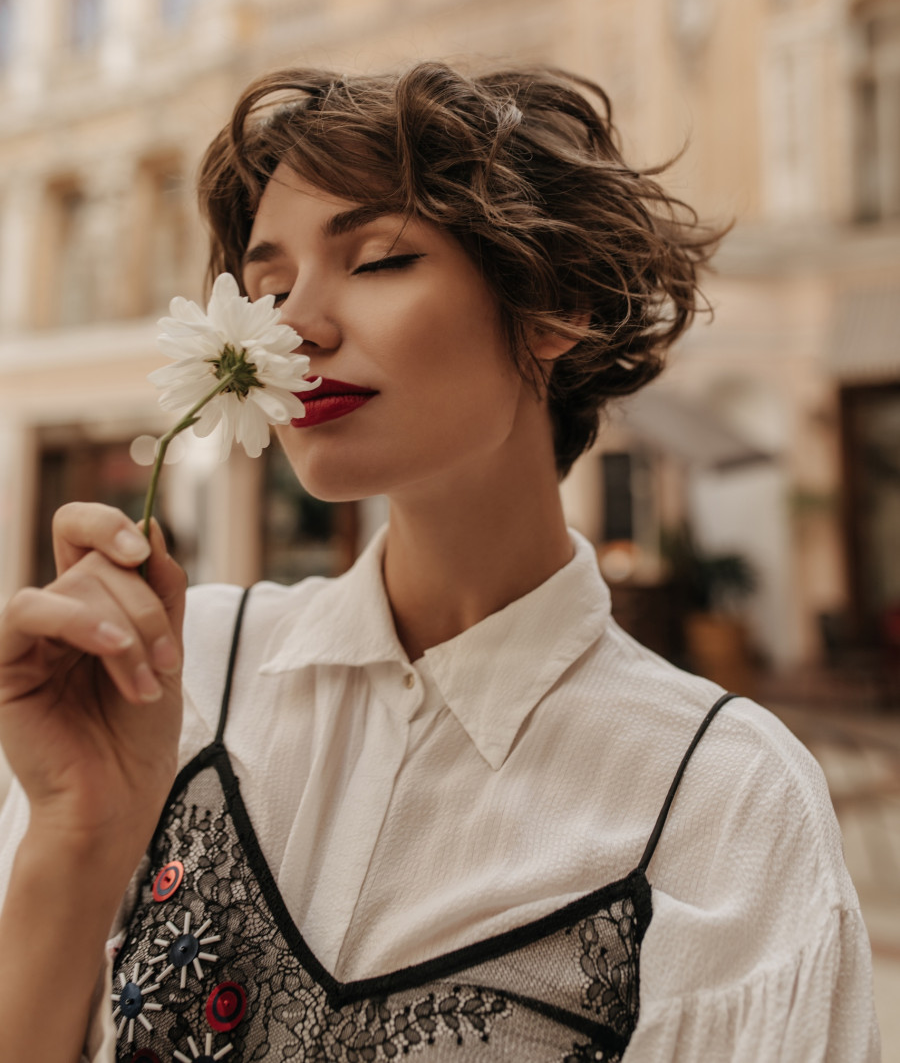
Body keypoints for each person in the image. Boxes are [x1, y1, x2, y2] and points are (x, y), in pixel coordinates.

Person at [0, 63, 879, 1061]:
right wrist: (75, 833)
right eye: (268, 284)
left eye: (377, 259)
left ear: (554, 303)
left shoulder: (723, 800)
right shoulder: (175, 674)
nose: (292, 325)